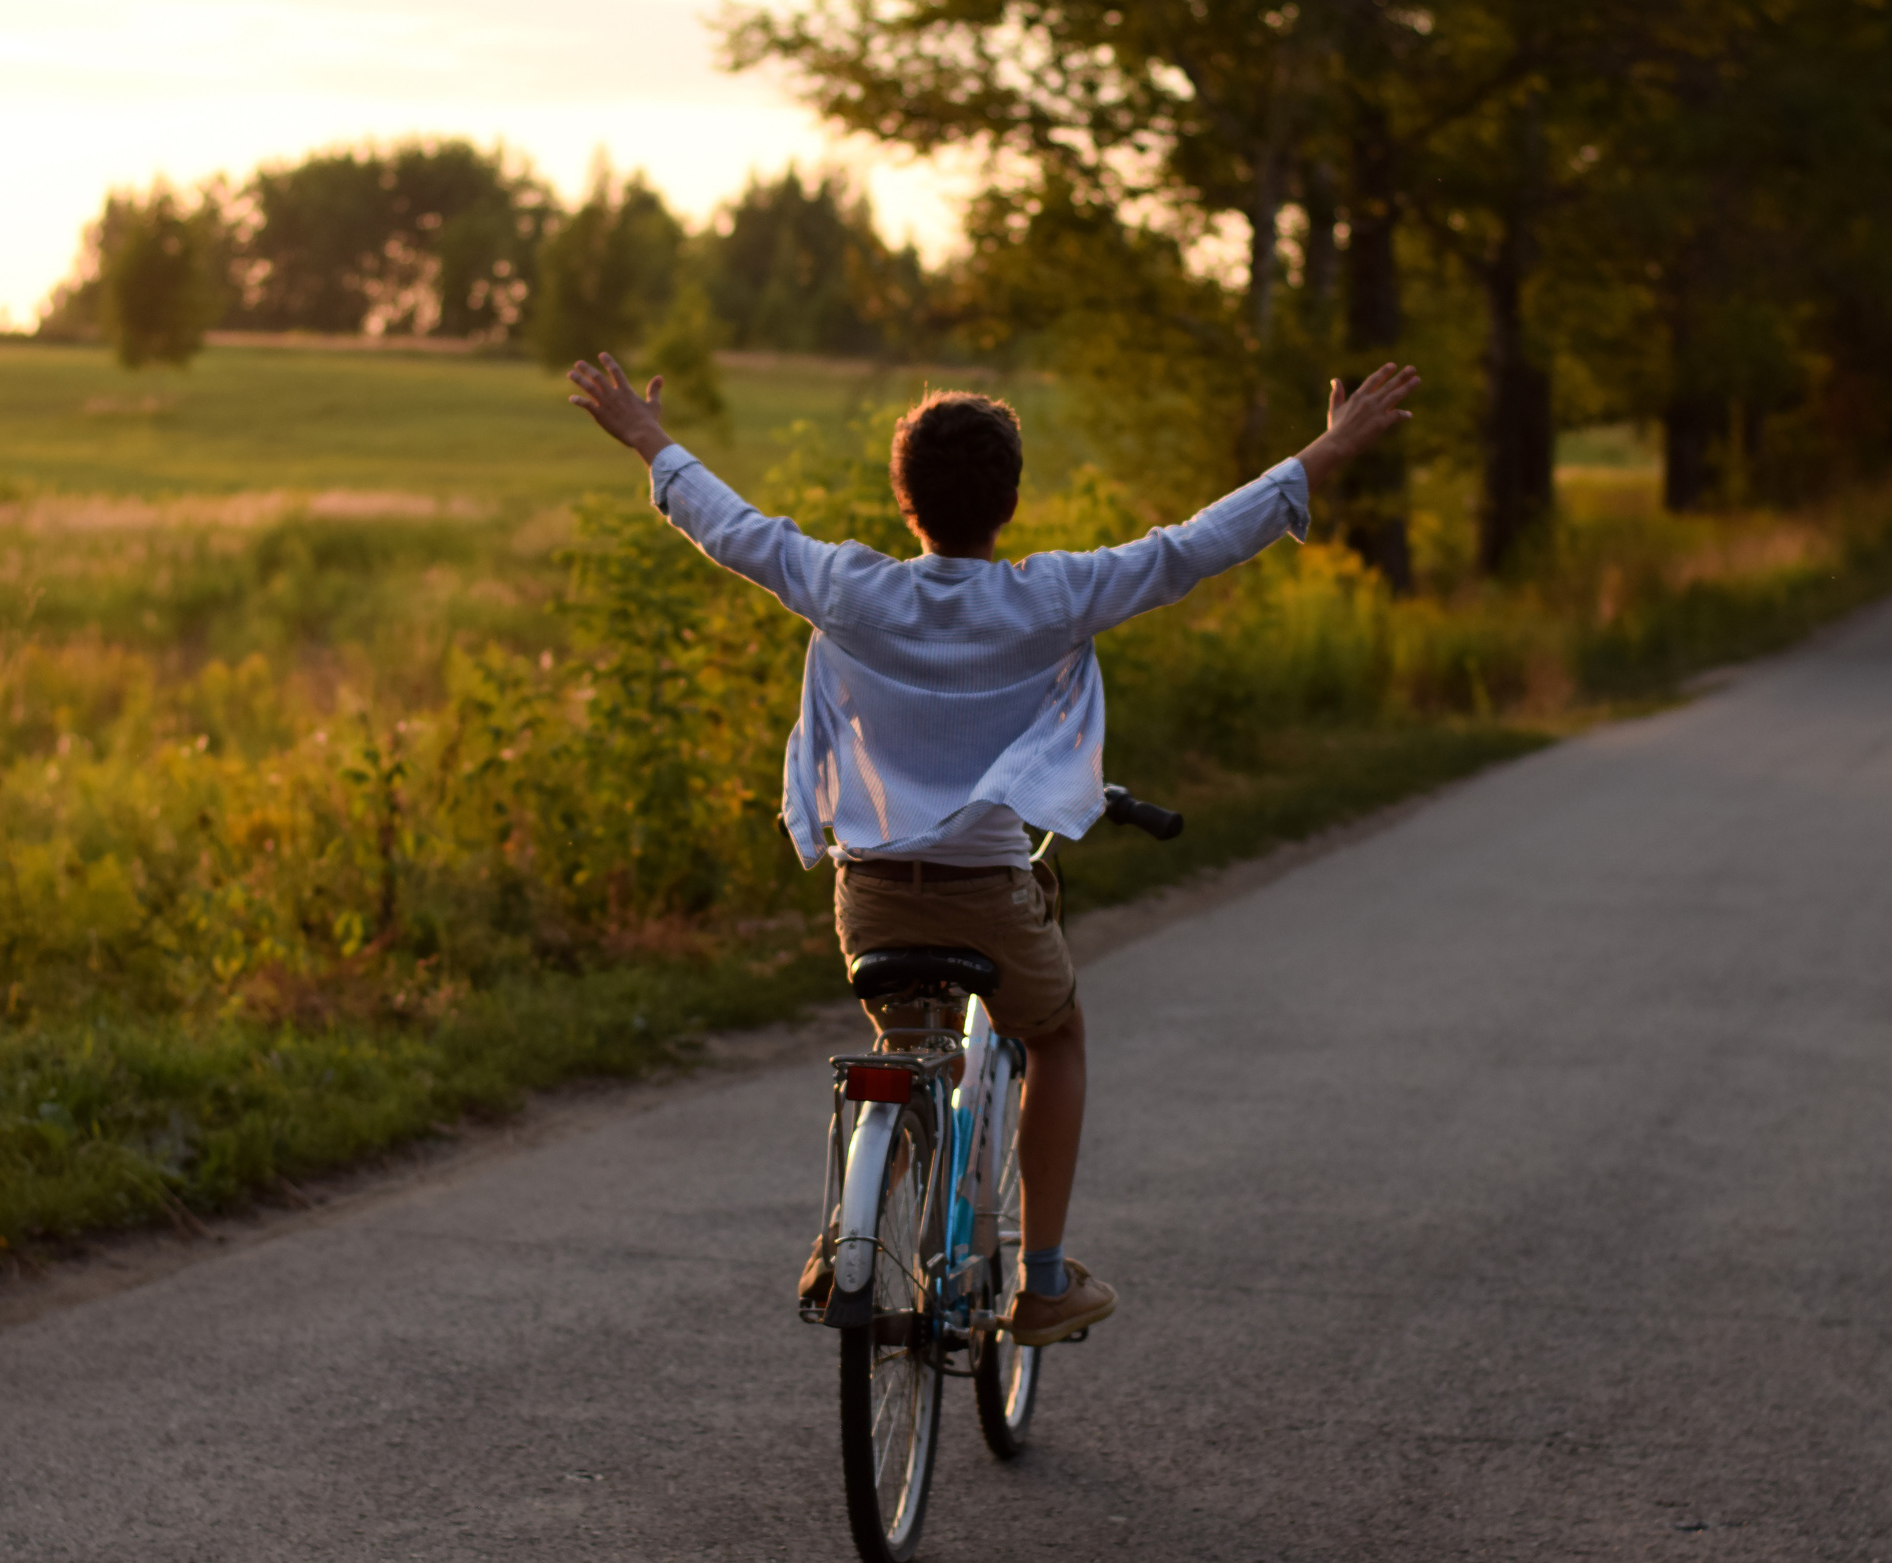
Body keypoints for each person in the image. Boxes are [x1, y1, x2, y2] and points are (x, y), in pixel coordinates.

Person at [566, 353, 1419, 1345]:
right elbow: (1195, 546)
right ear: (1008, 501)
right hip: (991, 900)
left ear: (905, 497)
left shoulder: (848, 590)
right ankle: (1044, 1281)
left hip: (872, 901)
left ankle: (851, 1234)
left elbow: (732, 529)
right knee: (1055, 1036)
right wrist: (1330, 449)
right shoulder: (1053, 597)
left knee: (906, 1041)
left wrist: (643, 435)